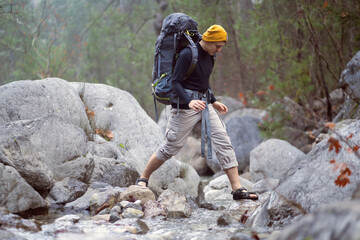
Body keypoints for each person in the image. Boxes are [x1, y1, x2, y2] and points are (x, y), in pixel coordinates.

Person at [137, 25, 258, 200]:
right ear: (208, 40)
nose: (219, 49)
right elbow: (176, 83)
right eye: (218, 45)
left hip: (204, 106)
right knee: (170, 147)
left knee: (223, 141)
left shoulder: (211, 56)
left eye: (221, 46)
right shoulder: (188, 54)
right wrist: (189, 101)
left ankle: (237, 189)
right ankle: (143, 177)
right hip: (184, 108)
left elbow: (203, 82)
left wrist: (214, 101)